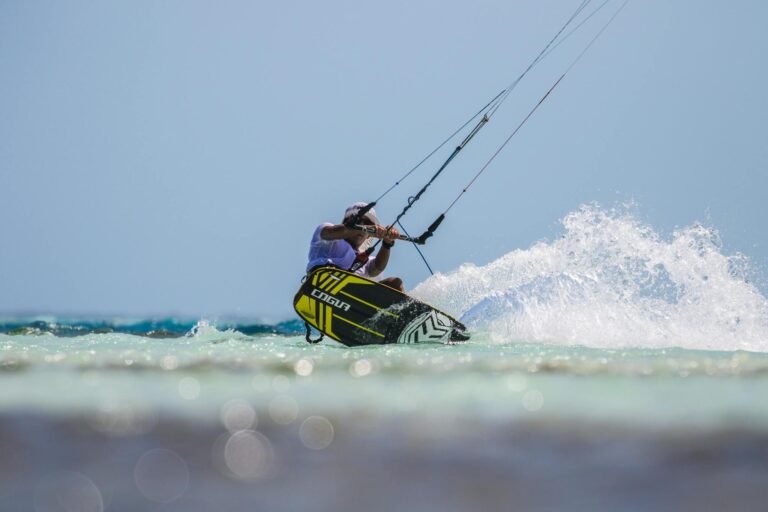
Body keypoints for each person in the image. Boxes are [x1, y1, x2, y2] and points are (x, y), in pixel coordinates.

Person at [306, 202, 404, 291]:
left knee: (395, 283)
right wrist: (364, 228)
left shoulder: (366, 259)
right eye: (358, 220)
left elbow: (376, 269)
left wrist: (387, 243)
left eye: (367, 223)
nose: (362, 225)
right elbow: (332, 232)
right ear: (346, 222)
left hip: (352, 294)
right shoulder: (326, 235)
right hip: (321, 283)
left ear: (369, 235)